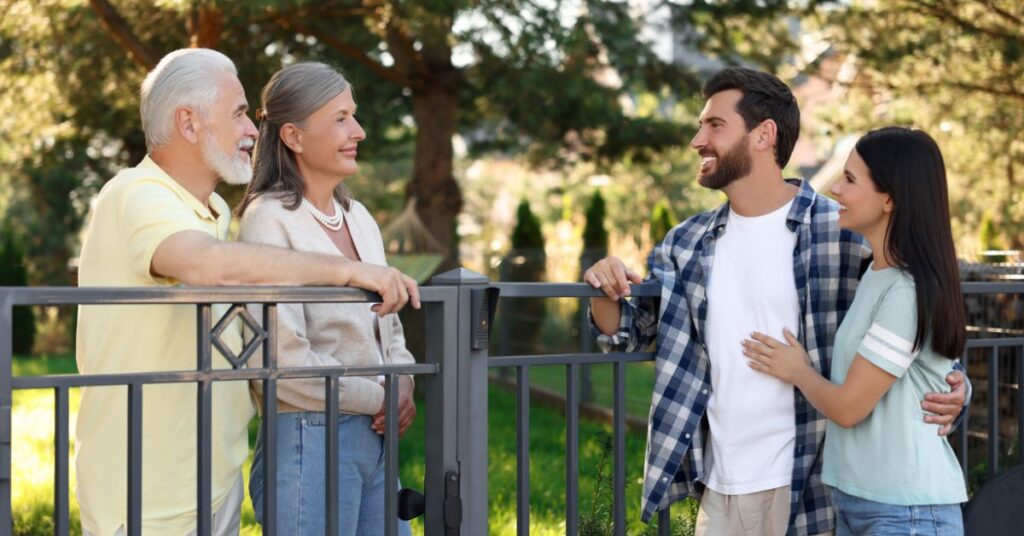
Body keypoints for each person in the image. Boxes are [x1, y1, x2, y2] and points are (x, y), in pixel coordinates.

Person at [583, 68, 968, 535]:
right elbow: (630, 332)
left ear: (764, 135)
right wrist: (605, 285)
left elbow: (918, 317)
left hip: (812, 487)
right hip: (720, 485)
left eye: (715, 125)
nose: (697, 140)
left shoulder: (844, 232)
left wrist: (956, 386)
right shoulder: (686, 243)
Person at [75, 49, 419, 536]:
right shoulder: (136, 192)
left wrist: (398, 379)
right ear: (189, 123)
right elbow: (205, 266)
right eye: (238, 113)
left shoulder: (213, 212)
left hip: (213, 482)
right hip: (145, 492)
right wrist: (346, 271)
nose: (254, 130)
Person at [743, 127, 968, 535]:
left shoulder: (904, 290)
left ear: (889, 198)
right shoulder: (876, 276)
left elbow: (849, 408)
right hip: (859, 503)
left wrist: (798, 371)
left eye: (850, 179)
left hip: (906, 512)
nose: (835, 189)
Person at [236, 62, 415, 535]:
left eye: (353, 115)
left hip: (375, 440)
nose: (358, 131)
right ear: (293, 136)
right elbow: (280, 362)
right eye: (340, 119)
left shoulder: (359, 218)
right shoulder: (268, 220)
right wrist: (380, 395)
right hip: (308, 439)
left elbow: (389, 325)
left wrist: (402, 379)